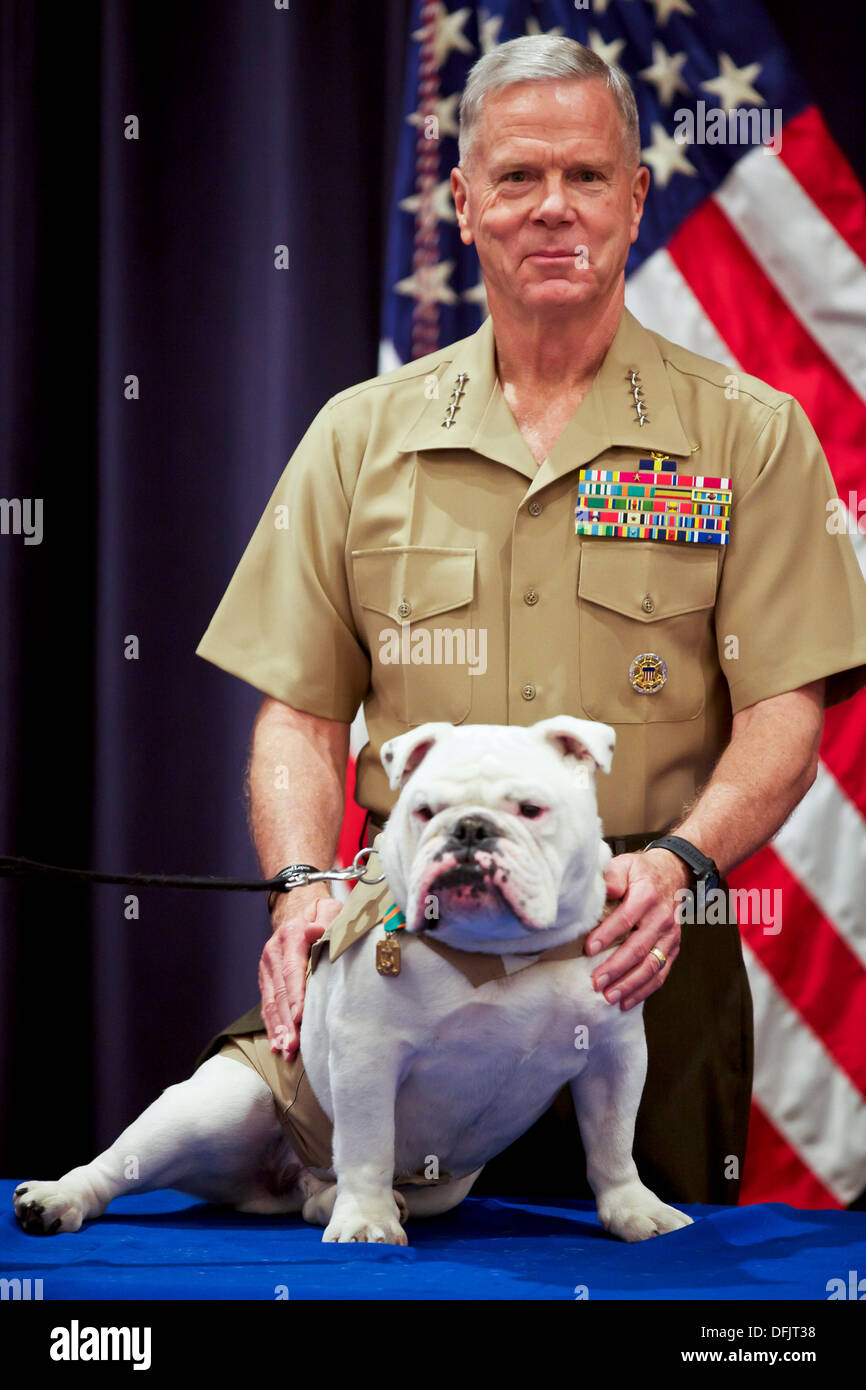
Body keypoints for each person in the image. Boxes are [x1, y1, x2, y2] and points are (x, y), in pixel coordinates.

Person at [194, 36, 866, 1205]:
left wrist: (677, 863)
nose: (551, 209)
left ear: (635, 194)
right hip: (405, 952)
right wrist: (302, 880)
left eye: (586, 176)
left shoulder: (748, 436)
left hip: (640, 945)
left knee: (671, 1295)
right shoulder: (358, 437)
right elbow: (297, 714)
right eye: (514, 177)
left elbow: (781, 713)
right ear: (460, 201)